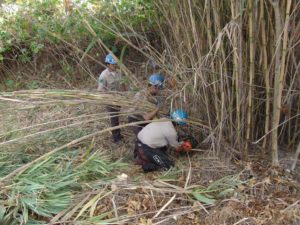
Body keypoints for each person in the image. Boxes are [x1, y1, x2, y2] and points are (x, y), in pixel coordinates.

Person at [98, 53, 125, 143]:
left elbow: (123, 84)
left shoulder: (119, 73)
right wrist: (109, 99)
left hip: (119, 99)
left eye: (115, 64)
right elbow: (101, 91)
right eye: (113, 64)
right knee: (114, 119)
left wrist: (126, 94)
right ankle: (116, 138)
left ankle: (119, 134)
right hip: (111, 102)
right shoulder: (103, 75)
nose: (115, 66)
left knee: (117, 118)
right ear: (108, 64)